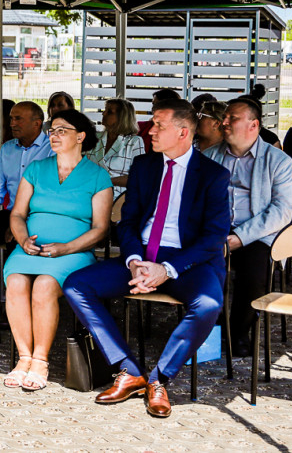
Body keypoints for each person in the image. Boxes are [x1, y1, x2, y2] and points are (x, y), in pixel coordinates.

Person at [63, 100, 230, 418]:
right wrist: (135, 260)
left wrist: (166, 269)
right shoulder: (144, 166)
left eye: (158, 125)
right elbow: (127, 221)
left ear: (183, 132)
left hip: (187, 262)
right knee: (76, 285)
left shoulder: (213, 175)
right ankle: (128, 370)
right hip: (142, 256)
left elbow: (213, 238)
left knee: (208, 304)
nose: (149, 130)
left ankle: (160, 379)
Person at [2, 110, 113, 390]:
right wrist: (23, 239)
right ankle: (23, 357)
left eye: (62, 130)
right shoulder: (37, 169)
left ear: (81, 136)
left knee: (44, 285)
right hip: (32, 248)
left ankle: (40, 361)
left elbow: (101, 229)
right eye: (52, 130)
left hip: (74, 251)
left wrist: (66, 248)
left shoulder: (99, 176)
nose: (54, 135)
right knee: (14, 282)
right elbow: (17, 214)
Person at [204, 98, 292, 357]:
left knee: (255, 273)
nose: (224, 122)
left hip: (255, 234)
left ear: (253, 125)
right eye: (225, 117)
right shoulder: (210, 156)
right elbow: (196, 199)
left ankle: (239, 331)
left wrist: (238, 238)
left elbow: (281, 211)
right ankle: (211, 326)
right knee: (201, 266)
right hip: (216, 231)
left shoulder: (278, 161)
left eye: (232, 118)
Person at [0, 101, 53, 214]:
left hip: (42, 216)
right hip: (11, 215)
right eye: (11, 118)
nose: (12, 124)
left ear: (36, 124)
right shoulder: (7, 149)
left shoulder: (52, 149)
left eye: (18, 119)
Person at [89, 98, 145, 200]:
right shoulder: (95, 137)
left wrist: (106, 181)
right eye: (105, 110)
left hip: (118, 198)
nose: (103, 114)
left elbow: (138, 178)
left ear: (122, 117)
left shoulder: (134, 142)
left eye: (109, 112)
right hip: (90, 194)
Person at [137, 89, 181, 153]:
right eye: (153, 104)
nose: (153, 108)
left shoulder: (181, 131)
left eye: (157, 105)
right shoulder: (143, 127)